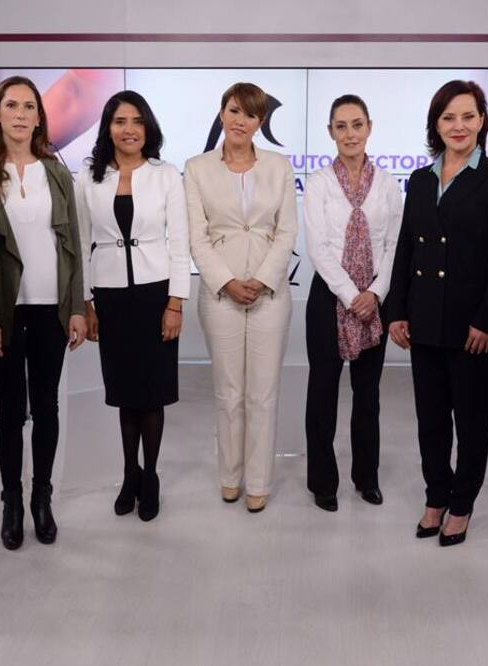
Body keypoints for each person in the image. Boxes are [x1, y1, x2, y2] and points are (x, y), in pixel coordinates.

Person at [387, 80, 488, 547]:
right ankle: (435, 497)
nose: (458, 126)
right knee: (431, 420)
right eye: (448, 118)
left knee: (472, 420)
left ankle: (462, 504)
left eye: (467, 116)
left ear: (482, 120)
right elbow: (406, 248)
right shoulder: (420, 179)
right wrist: (396, 310)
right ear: (435, 125)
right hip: (424, 321)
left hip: (473, 326)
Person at [0, 76, 87, 551]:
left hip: (50, 310)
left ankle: (43, 499)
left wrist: (77, 307)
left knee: (47, 408)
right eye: (10, 105)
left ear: (40, 116)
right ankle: (11, 501)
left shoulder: (56, 172)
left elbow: (74, 244)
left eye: (29, 106)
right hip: (3, 310)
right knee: (9, 412)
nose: (20, 114)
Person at [76, 91, 189, 522]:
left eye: (137, 121)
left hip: (155, 292)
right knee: (124, 393)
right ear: (108, 127)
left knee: (152, 392)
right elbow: (81, 241)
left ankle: (152, 476)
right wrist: (86, 301)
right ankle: (129, 474)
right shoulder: (89, 175)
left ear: (148, 128)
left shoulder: (166, 174)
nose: (129, 129)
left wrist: (175, 302)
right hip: (109, 294)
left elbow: (180, 242)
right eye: (120, 121)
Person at [185, 82, 297, 514]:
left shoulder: (279, 167)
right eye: (233, 111)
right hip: (220, 292)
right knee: (228, 391)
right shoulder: (196, 168)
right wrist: (228, 281)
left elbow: (286, 230)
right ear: (221, 113)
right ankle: (230, 476)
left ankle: (260, 481)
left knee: (263, 393)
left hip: (271, 293)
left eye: (250, 115)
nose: (240, 120)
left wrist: (264, 278)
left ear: (260, 122)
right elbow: (197, 237)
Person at [302, 94, 402, 512]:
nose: (349, 134)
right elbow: (318, 246)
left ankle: (367, 478)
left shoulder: (389, 184)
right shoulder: (319, 182)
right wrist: (350, 295)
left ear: (369, 127)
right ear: (330, 132)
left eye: (356, 124)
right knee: (323, 392)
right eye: (340, 126)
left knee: (368, 396)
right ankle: (323, 482)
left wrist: (374, 294)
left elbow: (395, 244)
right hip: (330, 297)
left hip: (374, 298)